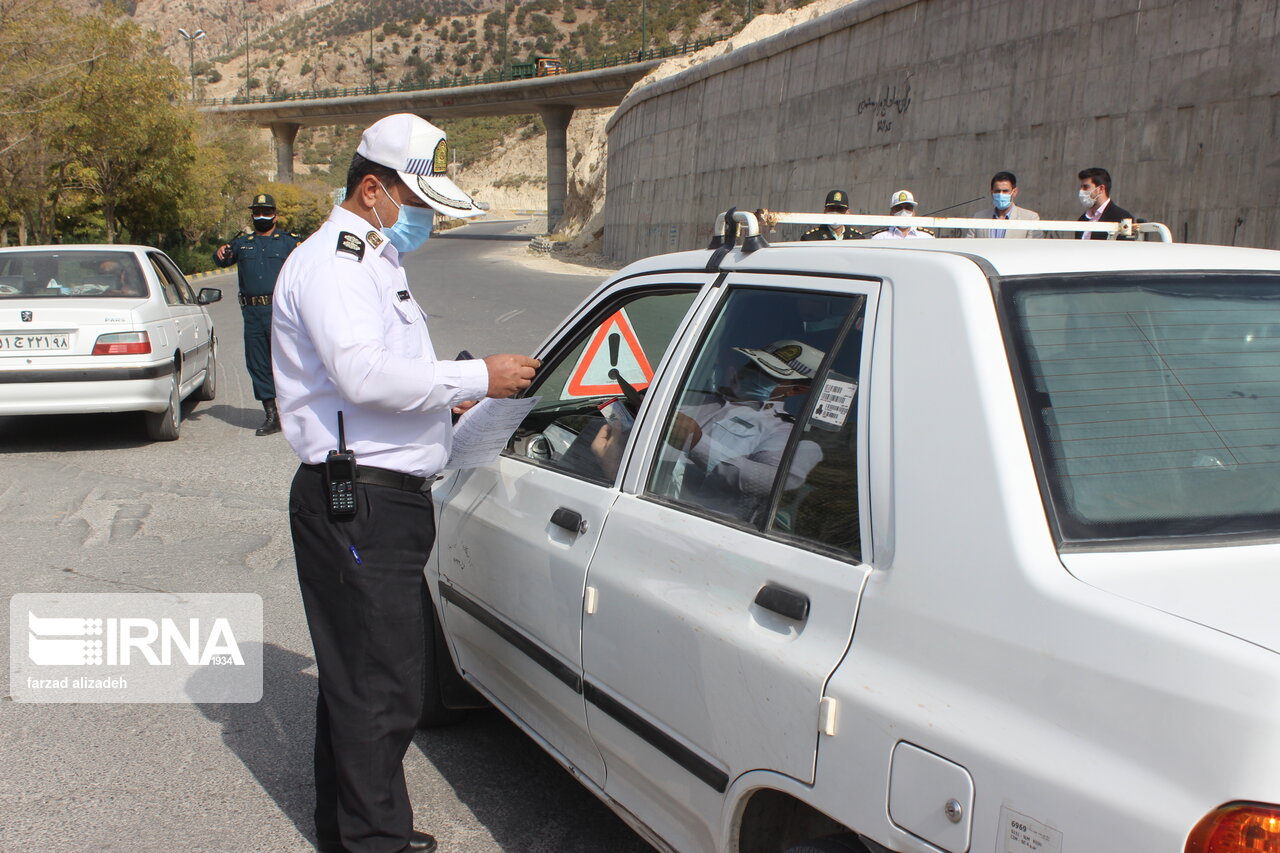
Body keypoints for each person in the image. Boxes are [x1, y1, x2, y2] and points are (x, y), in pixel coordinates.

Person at [271, 112, 539, 853]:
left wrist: (453, 397)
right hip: (357, 500)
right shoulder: (337, 264)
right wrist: (477, 374)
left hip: (380, 496)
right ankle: (375, 840)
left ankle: (358, 829)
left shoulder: (378, 261)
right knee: (381, 686)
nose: (422, 220)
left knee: (359, 679)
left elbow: (386, 378)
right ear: (371, 189)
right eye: (416, 205)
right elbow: (361, 375)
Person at [594, 340, 824, 522]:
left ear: (796, 389)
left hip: (700, 531)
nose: (750, 372)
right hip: (632, 504)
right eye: (753, 364)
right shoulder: (693, 400)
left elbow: (775, 482)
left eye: (766, 373)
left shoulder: (785, 434)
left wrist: (696, 443)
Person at [213, 193, 300, 435]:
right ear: (252, 215)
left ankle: (297, 413)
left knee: (289, 361)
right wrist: (220, 252)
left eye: (266, 212)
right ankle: (271, 415)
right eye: (257, 212)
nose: (261, 216)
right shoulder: (242, 243)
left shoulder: (288, 243)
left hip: (281, 311)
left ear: (275, 215)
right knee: (258, 363)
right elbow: (221, 260)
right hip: (252, 312)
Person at [963, 171, 1042, 238]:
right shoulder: (979, 217)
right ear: (991, 192)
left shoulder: (1030, 218)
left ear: (1014, 192)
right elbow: (969, 244)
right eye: (997, 191)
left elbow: (1033, 249)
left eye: (1005, 191)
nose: (1001, 194)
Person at [1076, 167, 1135, 239]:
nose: (1081, 191)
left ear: (1100, 189)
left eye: (1086, 187)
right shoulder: (1082, 219)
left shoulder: (1122, 218)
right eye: (1081, 187)